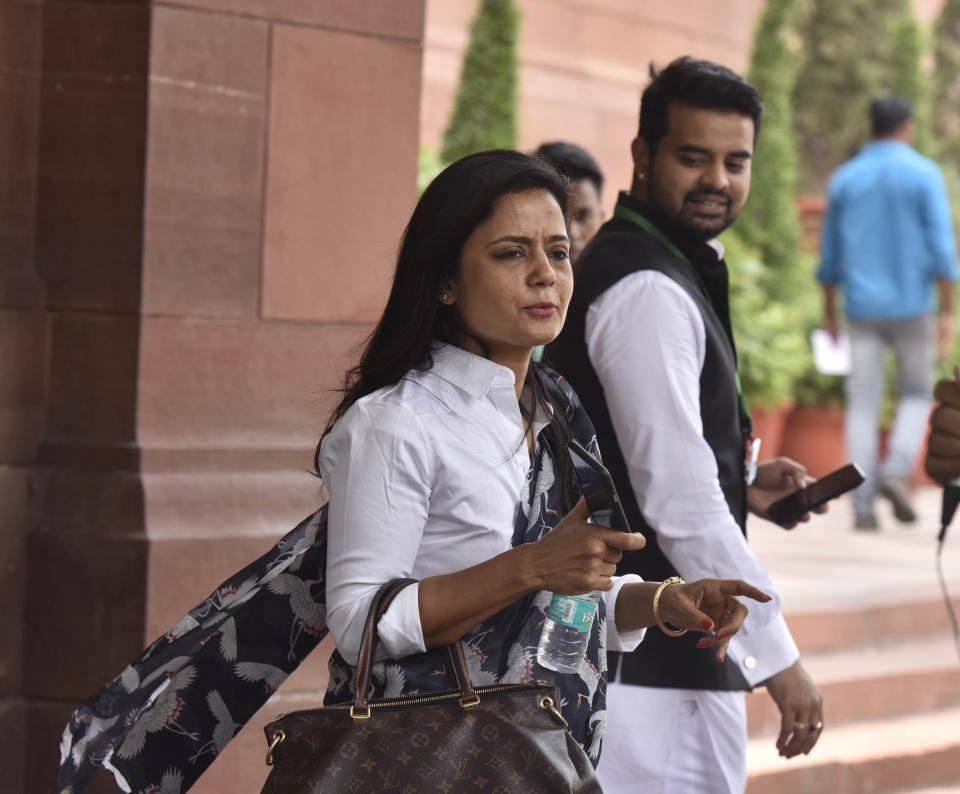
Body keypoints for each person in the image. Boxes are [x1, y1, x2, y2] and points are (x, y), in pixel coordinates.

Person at [317, 148, 772, 763]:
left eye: (558, 252)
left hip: (545, 756)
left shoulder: (551, 411)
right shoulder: (397, 423)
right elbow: (358, 623)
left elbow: (562, 603)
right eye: (511, 253)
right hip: (433, 760)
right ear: (445, 280)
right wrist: (530, 567)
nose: (545, 274)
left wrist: (665, 601)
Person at [548, 58, 823, 793]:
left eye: (737, 162)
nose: (718, 180)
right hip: (649, 677)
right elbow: (678, 496)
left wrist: (746, 480)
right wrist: (780, 658)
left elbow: (650, 451)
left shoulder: (662, 266)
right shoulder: (644, 287)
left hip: (646, 662)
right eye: (693, 157)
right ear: (642, 157)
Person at [818, 93, 958, 531]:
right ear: (906, 128)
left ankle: (861, 505)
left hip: (860, 307)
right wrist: (948, 310)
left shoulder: (846, 178)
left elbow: (830, 255)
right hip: (913, 305)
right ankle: (897, 470)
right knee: (917, 394)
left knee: (863, 400)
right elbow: (941, 245)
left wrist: (828, 312)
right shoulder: (923, 174)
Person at [533, 141, 605, 264]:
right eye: (559, 217)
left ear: (601, 217)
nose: (572, 232)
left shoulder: (629, 280)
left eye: (583, 216)